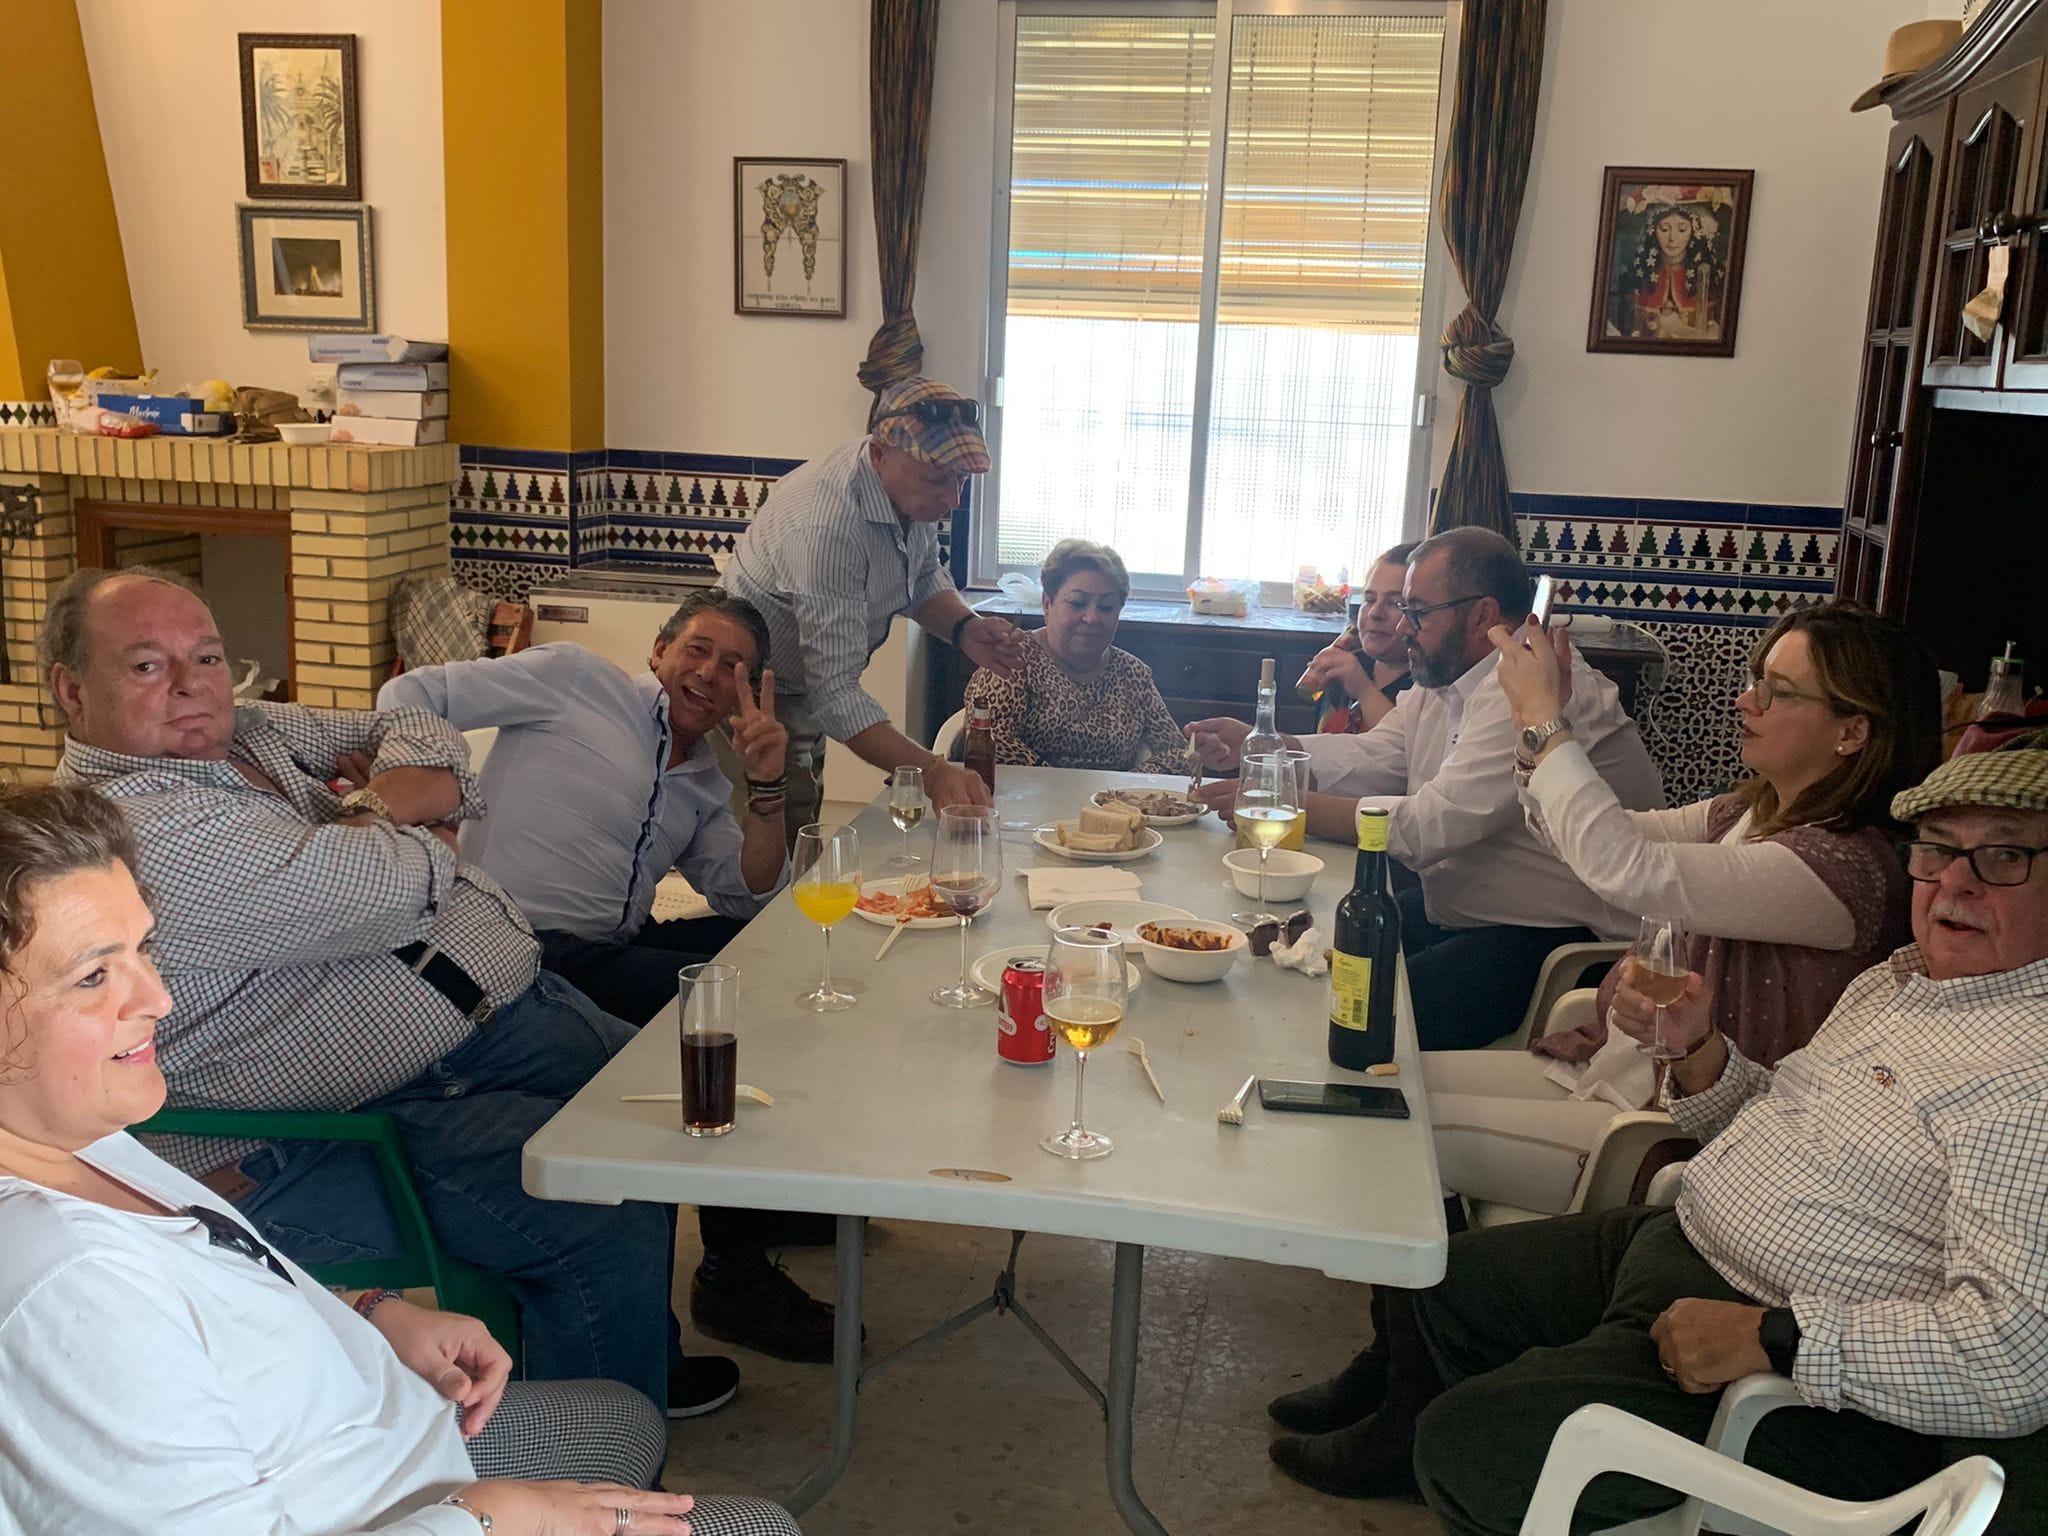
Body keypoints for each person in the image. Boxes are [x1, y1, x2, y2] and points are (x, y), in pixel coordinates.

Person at [1268, 735, 2048, 1536]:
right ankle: (1406, 1436)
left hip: (1787, 1362)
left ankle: (1455, 1458)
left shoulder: (2029, 1075)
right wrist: (1701, 1051)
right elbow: (1786, 1120)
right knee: (1439, 1283)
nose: (1954, 882)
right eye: (1939, 849)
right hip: (1682, 1240)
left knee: (1476, 1448)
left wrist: (1774, 1337)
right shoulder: (1902, 981)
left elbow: (2017, 1358)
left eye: (2003, 858)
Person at [0, 780, 803, 1536]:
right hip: (392, 1508)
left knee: (620, 1417)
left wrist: (367, 1313)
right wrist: (493, 1515)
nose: (158, 999)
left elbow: (211, 1303)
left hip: (367, 1448)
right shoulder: (63, 1288)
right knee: (762, 1525)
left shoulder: (81, 1139)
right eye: (94, 975)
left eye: (145, 951)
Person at [43, 566, 724, 1420]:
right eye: (147, 666)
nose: (191, 685)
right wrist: (405, 820)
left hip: (496, 1023)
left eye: (208, 657)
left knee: (680, 1117)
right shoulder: (129, 831)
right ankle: (600, 1458)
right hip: (344, 1123)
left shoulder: (247, 733)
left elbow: (418, 726)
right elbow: (400, 885)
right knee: (599, 1203)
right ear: (72, 691)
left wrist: (369, 812)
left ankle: (638, 1356)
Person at [381, 588, 838, 1364]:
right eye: (698, 650)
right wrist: (431, 806)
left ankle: (754, 1200)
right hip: (512, 946)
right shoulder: (574, 678)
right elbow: (413, 694)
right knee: (724, 1008)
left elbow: (749, 890)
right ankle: (732, 1272)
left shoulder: (703, 782)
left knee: (770, 957)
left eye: (734, 666)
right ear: (658, 653)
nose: (710, 672)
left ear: (746, 692)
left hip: (604, 949)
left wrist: (766, 790)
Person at [1421, 601, 1942, 1215]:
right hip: (1623, 1069)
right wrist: (1534, 728)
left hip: (1688, 1128)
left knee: (1396, 1128)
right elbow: (1574, 839)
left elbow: (1628, 869)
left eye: (1777, 693)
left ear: (1852, 732)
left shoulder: (1843, 868)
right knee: (1389, 1084)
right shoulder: (1748, 812)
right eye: (1755, 682)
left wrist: (1547, 722)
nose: (1745, 702)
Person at [1189, 527, 1666, 1048]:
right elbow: (1376, 755)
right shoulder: (1448, 679)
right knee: (1313, 960)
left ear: (1482, 615)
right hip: (1464, 910)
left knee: (1360, 1017)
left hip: (1558, 938)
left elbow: (1429, 826)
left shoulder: (1535, 686)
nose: (1402, 626)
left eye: (1416, 611)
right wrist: (1266, 747)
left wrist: (1284, 803)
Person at [722, 376, 1031, 831]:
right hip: (748, 694)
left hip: (800, 684)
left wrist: (965, 628)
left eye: (961, 479)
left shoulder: (905, 490)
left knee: (800, 819)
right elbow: (835, 692)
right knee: (764, 844)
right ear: (880, 455)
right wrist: (932, 772)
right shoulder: (827, 526)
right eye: (937, 479)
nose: (952, 498)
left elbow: (921, 574)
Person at [962, 539, 1186, 772]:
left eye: (1106, 607)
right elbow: (990, 742)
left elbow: (1177, 753)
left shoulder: (1134, 674)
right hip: (1026, 793)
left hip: (1112, 796)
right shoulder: (1012, 659)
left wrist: (1128, 786)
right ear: (1047, 604)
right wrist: (1062, 784)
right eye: (1078, 603)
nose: (1092, 617)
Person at [1297, 542, 1416, 735]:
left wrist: (1364, 691)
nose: (1375, 613)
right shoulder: (1343, 670)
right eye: (1369, 600)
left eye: (1395, 603)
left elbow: (1407, 747)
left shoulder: (1429, 687)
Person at [1615, 199, 1725, 342]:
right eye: (1664, 229)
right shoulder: (1639, 277)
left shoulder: (1709, 278)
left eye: (1682, 229)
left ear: (1694, 231)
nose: (1672, 238)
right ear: (1653, 230)